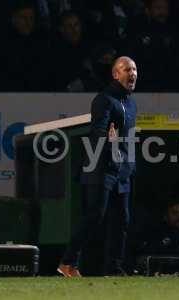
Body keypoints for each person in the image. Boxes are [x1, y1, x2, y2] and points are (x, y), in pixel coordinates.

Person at [58, 56, 138, 277]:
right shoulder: (104, 99)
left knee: (122, 219)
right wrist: (110, 143)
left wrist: (129, 163)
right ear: (115, 74)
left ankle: (114, 268)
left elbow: (127, 137)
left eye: (134, 69)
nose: (132, 73)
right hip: (100, 167)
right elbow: (98, 131)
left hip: (121, 170)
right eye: (126, 69)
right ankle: (67, 262)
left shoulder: (131, 103)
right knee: (94, 216)